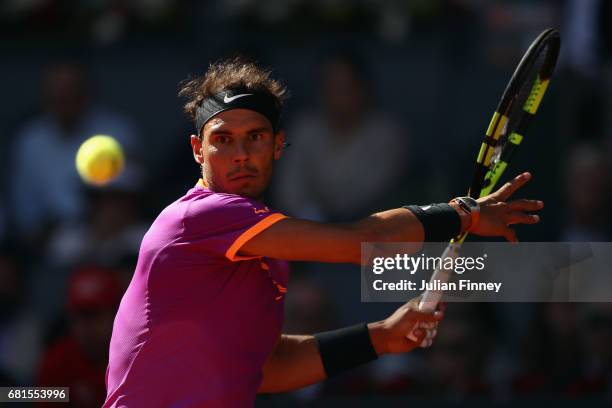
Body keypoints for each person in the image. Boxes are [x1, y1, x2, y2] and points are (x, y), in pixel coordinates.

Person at [103, 57, 543, 407]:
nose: (240, 154)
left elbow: (267, 366)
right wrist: (461, 215)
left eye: (255, 137)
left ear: (277, 145)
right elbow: (360, 243)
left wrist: (381, 336)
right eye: (223, 139)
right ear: (198, 149)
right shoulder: (199, 218)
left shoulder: (261, 247)